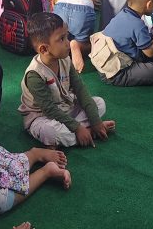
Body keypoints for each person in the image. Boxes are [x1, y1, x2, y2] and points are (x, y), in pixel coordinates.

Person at [19, 12, 115, 147]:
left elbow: (80, 90)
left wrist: (95, 121)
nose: (68, 43)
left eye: (67, 36)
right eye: (62, 39)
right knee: (50, 132)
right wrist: (77, 127)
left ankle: (78, 134)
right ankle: (88, 132)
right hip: (43, 117)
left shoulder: (65, 59)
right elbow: (49, 109)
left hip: (66, 108)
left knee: (99, 103)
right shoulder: (34, 75)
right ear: (44, 49)